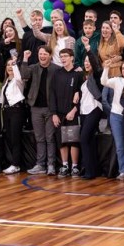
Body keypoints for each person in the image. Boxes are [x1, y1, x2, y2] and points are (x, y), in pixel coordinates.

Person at [20, 45, 60, 176]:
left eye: (45, 54)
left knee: (50, 137)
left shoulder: (56, 69)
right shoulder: (33, 68)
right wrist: (25, 59)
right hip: (35, 107)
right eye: (40, 54)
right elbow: (24, 75)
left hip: (50, 108)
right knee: (39, 138)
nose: (42, 56)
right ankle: (40, 164)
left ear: (50, 55)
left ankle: (51, 165)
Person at [49, 48, 82, 177]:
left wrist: (74, 110)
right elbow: (52, 94)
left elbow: (82, 94)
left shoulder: (78, 74)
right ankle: (65, 165)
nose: (63, 59)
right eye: (61, 56)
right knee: (61, 140)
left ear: (72, 57)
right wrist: (54, 113)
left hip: (73, 113)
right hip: (59, 113)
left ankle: (75, 167)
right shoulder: (57, 73)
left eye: (65, 56)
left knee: (73, 140)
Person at [101, 60, 124, 179]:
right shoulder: (117, 80)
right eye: (123, 68)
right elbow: (103, 81)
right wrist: (106, 68)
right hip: (115, 115)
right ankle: (123, 170)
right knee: (119, 145)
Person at [78, 43, 104, 180]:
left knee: (84, 139)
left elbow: (96, 65)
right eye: (85, 61)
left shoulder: (97, 75)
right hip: (84, 111)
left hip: (94, 109)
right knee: (90, 140)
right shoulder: (84, 77)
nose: (87, 63)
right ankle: (93, 169)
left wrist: (88, 49)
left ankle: (89, 170)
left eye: (89, 61)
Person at [0, 54, 26, 175]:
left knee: (15, 138)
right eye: (8, 65)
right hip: (7, 112)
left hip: (16, 111)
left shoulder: (18, 81)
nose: (10, 67)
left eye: (12, 65)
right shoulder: (6, 81)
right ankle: (12, 162)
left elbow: (18, 77)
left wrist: (15, 64)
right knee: (10, 137)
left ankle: (16, 164)